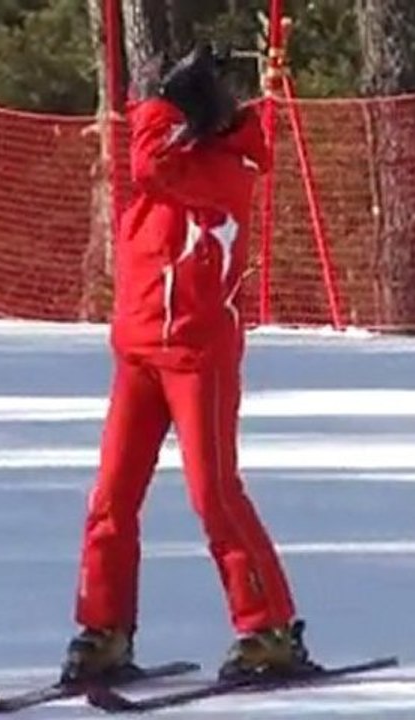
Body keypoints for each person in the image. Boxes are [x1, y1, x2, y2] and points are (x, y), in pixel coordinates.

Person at [61, 44, 315, 683]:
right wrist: (169, 108)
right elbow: (150, 166)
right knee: (111, 500)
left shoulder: (225, 170)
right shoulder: (176, 159)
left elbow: (149, 165)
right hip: (139, 352)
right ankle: (104, 627)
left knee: (215, 496)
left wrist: (160, 105)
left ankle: (269, 626)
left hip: (197, 357)